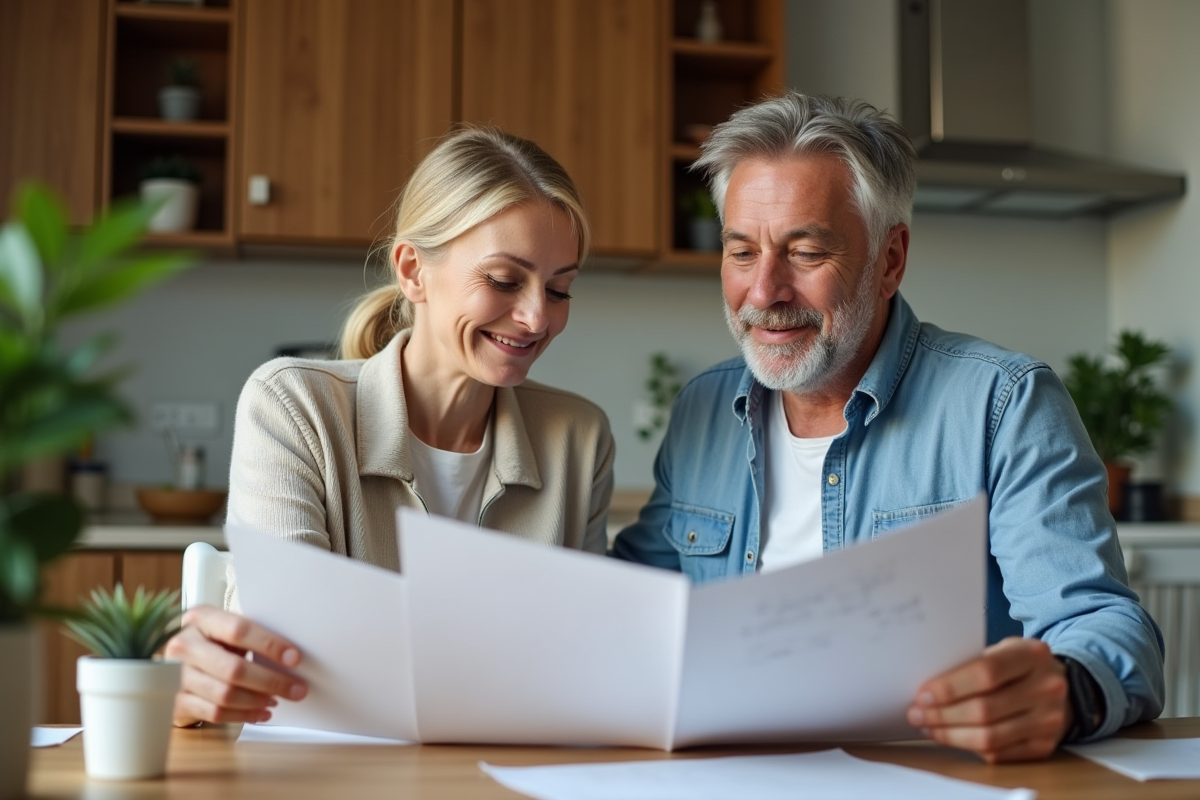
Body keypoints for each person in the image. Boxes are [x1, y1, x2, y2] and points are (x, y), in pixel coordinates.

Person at [611, 92, 1165, 763]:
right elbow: (635, 609)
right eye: (740, 252)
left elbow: (1103, 624)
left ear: (890, 259)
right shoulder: (704, 408)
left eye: (805, 251)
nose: (763, 292)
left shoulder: (1002, 403)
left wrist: (1070, 690)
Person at [165, 127, 615, 727]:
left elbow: (591, 662)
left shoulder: (579, 437)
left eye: (560, 288)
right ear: (412, 271)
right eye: (505, 280)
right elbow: (288, 654)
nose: (538, 317)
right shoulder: (294, 406)